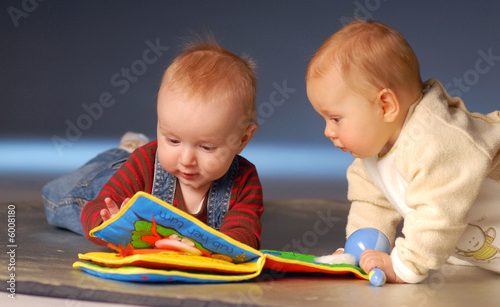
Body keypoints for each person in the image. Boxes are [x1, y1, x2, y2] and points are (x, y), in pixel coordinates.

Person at [306, 19, 500, 284]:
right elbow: (371, 205)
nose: (328, 131)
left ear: (385, 106)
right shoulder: (371, 154)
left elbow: (438, 212)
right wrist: (360, 253)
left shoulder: (436, 142)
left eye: (336, 119)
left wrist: (405, 265)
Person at [42, 36, 263, 249]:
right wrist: (111, 222)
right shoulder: (144, 164)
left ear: (242, 139)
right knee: (61, 201)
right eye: (173, 140)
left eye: (206, 147)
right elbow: (97, 207)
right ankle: (125, 150)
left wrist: (217, 249)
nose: (186, 160)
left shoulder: (244, 181)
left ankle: (134, 147)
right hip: (109, 179)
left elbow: (244, 234)